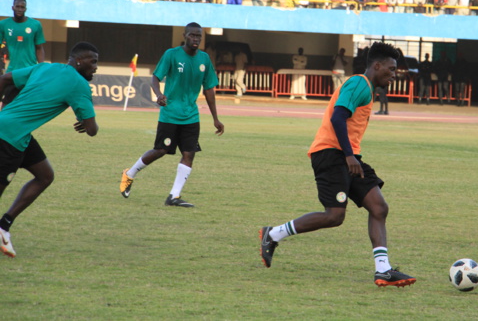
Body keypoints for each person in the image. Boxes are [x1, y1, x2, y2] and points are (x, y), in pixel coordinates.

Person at [259, 42, 416, 288]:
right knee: (334, 216)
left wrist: (351, 156)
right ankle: (273, 234)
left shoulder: (366, 88)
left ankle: (383, 270)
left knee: (378, 207)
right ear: (377, 65)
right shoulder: (358, 84)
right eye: (391, 68)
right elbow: (338, 116)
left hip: (347, 156)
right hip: (332, 154)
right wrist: (348, 156)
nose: (394, 74)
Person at [0, 42, 98, 258]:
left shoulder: (46, 67)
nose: (96, 67)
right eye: (93, 61)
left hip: (15, 130)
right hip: (10, 138)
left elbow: (5, 79)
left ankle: (4, 226)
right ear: (79, 60)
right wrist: (85, 122)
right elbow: (92, 130)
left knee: (45, 175)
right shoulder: (79, 85)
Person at [120, 23, 224, 207]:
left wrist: (215, 118)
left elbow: (209, 89)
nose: (196, 39)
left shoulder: (204, 59)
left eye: (199, 36)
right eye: (192, 35)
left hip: (191, 115)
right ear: (184, 35)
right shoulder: (172, 55)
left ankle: (173, 196)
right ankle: (130, 174)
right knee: (161, 150)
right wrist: (159, 95)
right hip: (170, 114)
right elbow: (155, 78)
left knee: (189, 154)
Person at [0, 0, 45, 106]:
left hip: (30, 71)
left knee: (29, 106)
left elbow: (39, 48)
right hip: (12, 71)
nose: (20, 9)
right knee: (6, 105)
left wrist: (42, 67)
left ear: (25, 9)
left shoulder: (35, 25)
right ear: (12, 7)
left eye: (22, 7)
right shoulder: (4, 24)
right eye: (17, 6)